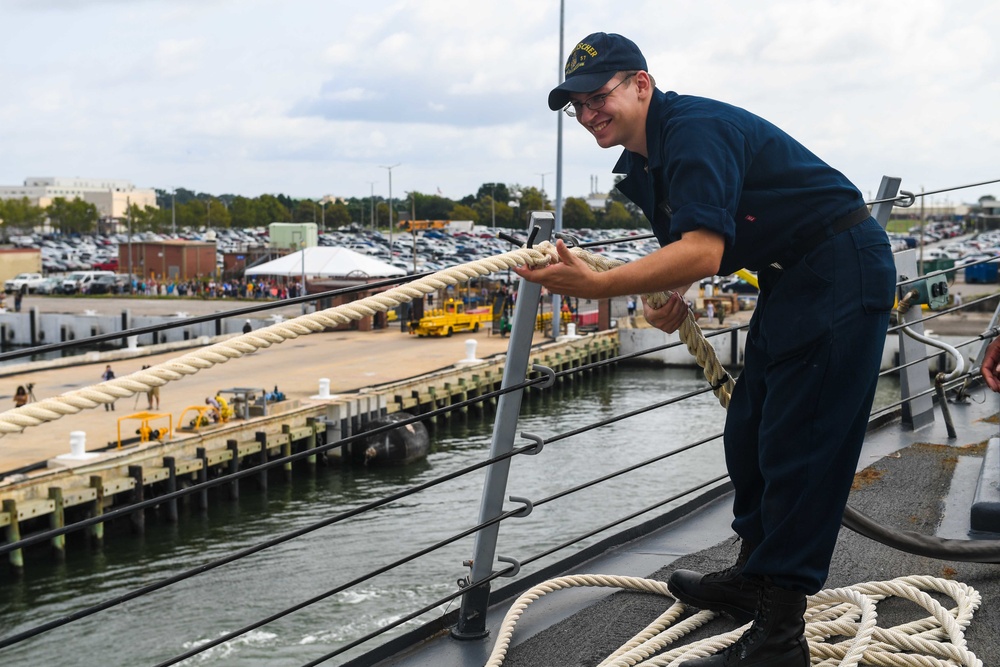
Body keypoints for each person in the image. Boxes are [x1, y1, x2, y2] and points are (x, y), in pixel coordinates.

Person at [517, 33, 895, 667]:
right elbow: (698, 238)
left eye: (597, 97)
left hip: (839, 267)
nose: (586, 115)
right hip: (792, 276)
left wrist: (603, 284)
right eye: (574, 105)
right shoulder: (646, 158)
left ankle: (780, 635)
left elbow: (704, 249)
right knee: (750, 429)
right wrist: (672, 289)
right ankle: (754, 577)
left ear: (642, 83)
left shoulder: (691, 131)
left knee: (800, 444)